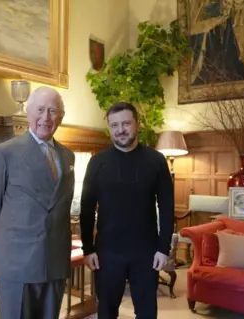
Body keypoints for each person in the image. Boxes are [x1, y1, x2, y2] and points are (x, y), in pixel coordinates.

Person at [0, 86, 76, 319]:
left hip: (55, 258)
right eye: (40, 110)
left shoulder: (67, 156)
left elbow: (62, 204)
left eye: (53, 111)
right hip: (18, 261)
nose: (46, 117)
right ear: (28, 113)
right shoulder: (5, 152)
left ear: (61, 117)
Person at [79, 102, 174, 319]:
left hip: (146, 252)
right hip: (107, 252)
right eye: (114, 125)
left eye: (125, 124)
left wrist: (163, 247)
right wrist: (88, 248)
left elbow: (167, 207)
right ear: (109, 128)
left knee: (147, 312)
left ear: (137, 125)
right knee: (106, 311)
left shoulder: (156, 161)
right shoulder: (97, 163)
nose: (120, 130)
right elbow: (86, 208)